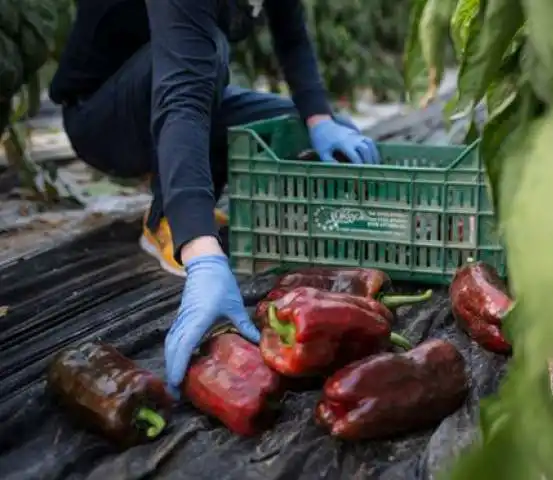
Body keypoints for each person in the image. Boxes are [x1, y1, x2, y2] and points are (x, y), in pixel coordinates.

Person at [49, 0, 380, 397]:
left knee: (297, 125)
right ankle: (167, 220)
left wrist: (320, 121)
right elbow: (182, 97)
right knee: (209, 52)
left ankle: (191, 206)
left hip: (182, 82)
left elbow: (292, 39)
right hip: (102, 116)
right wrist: (201, 250)